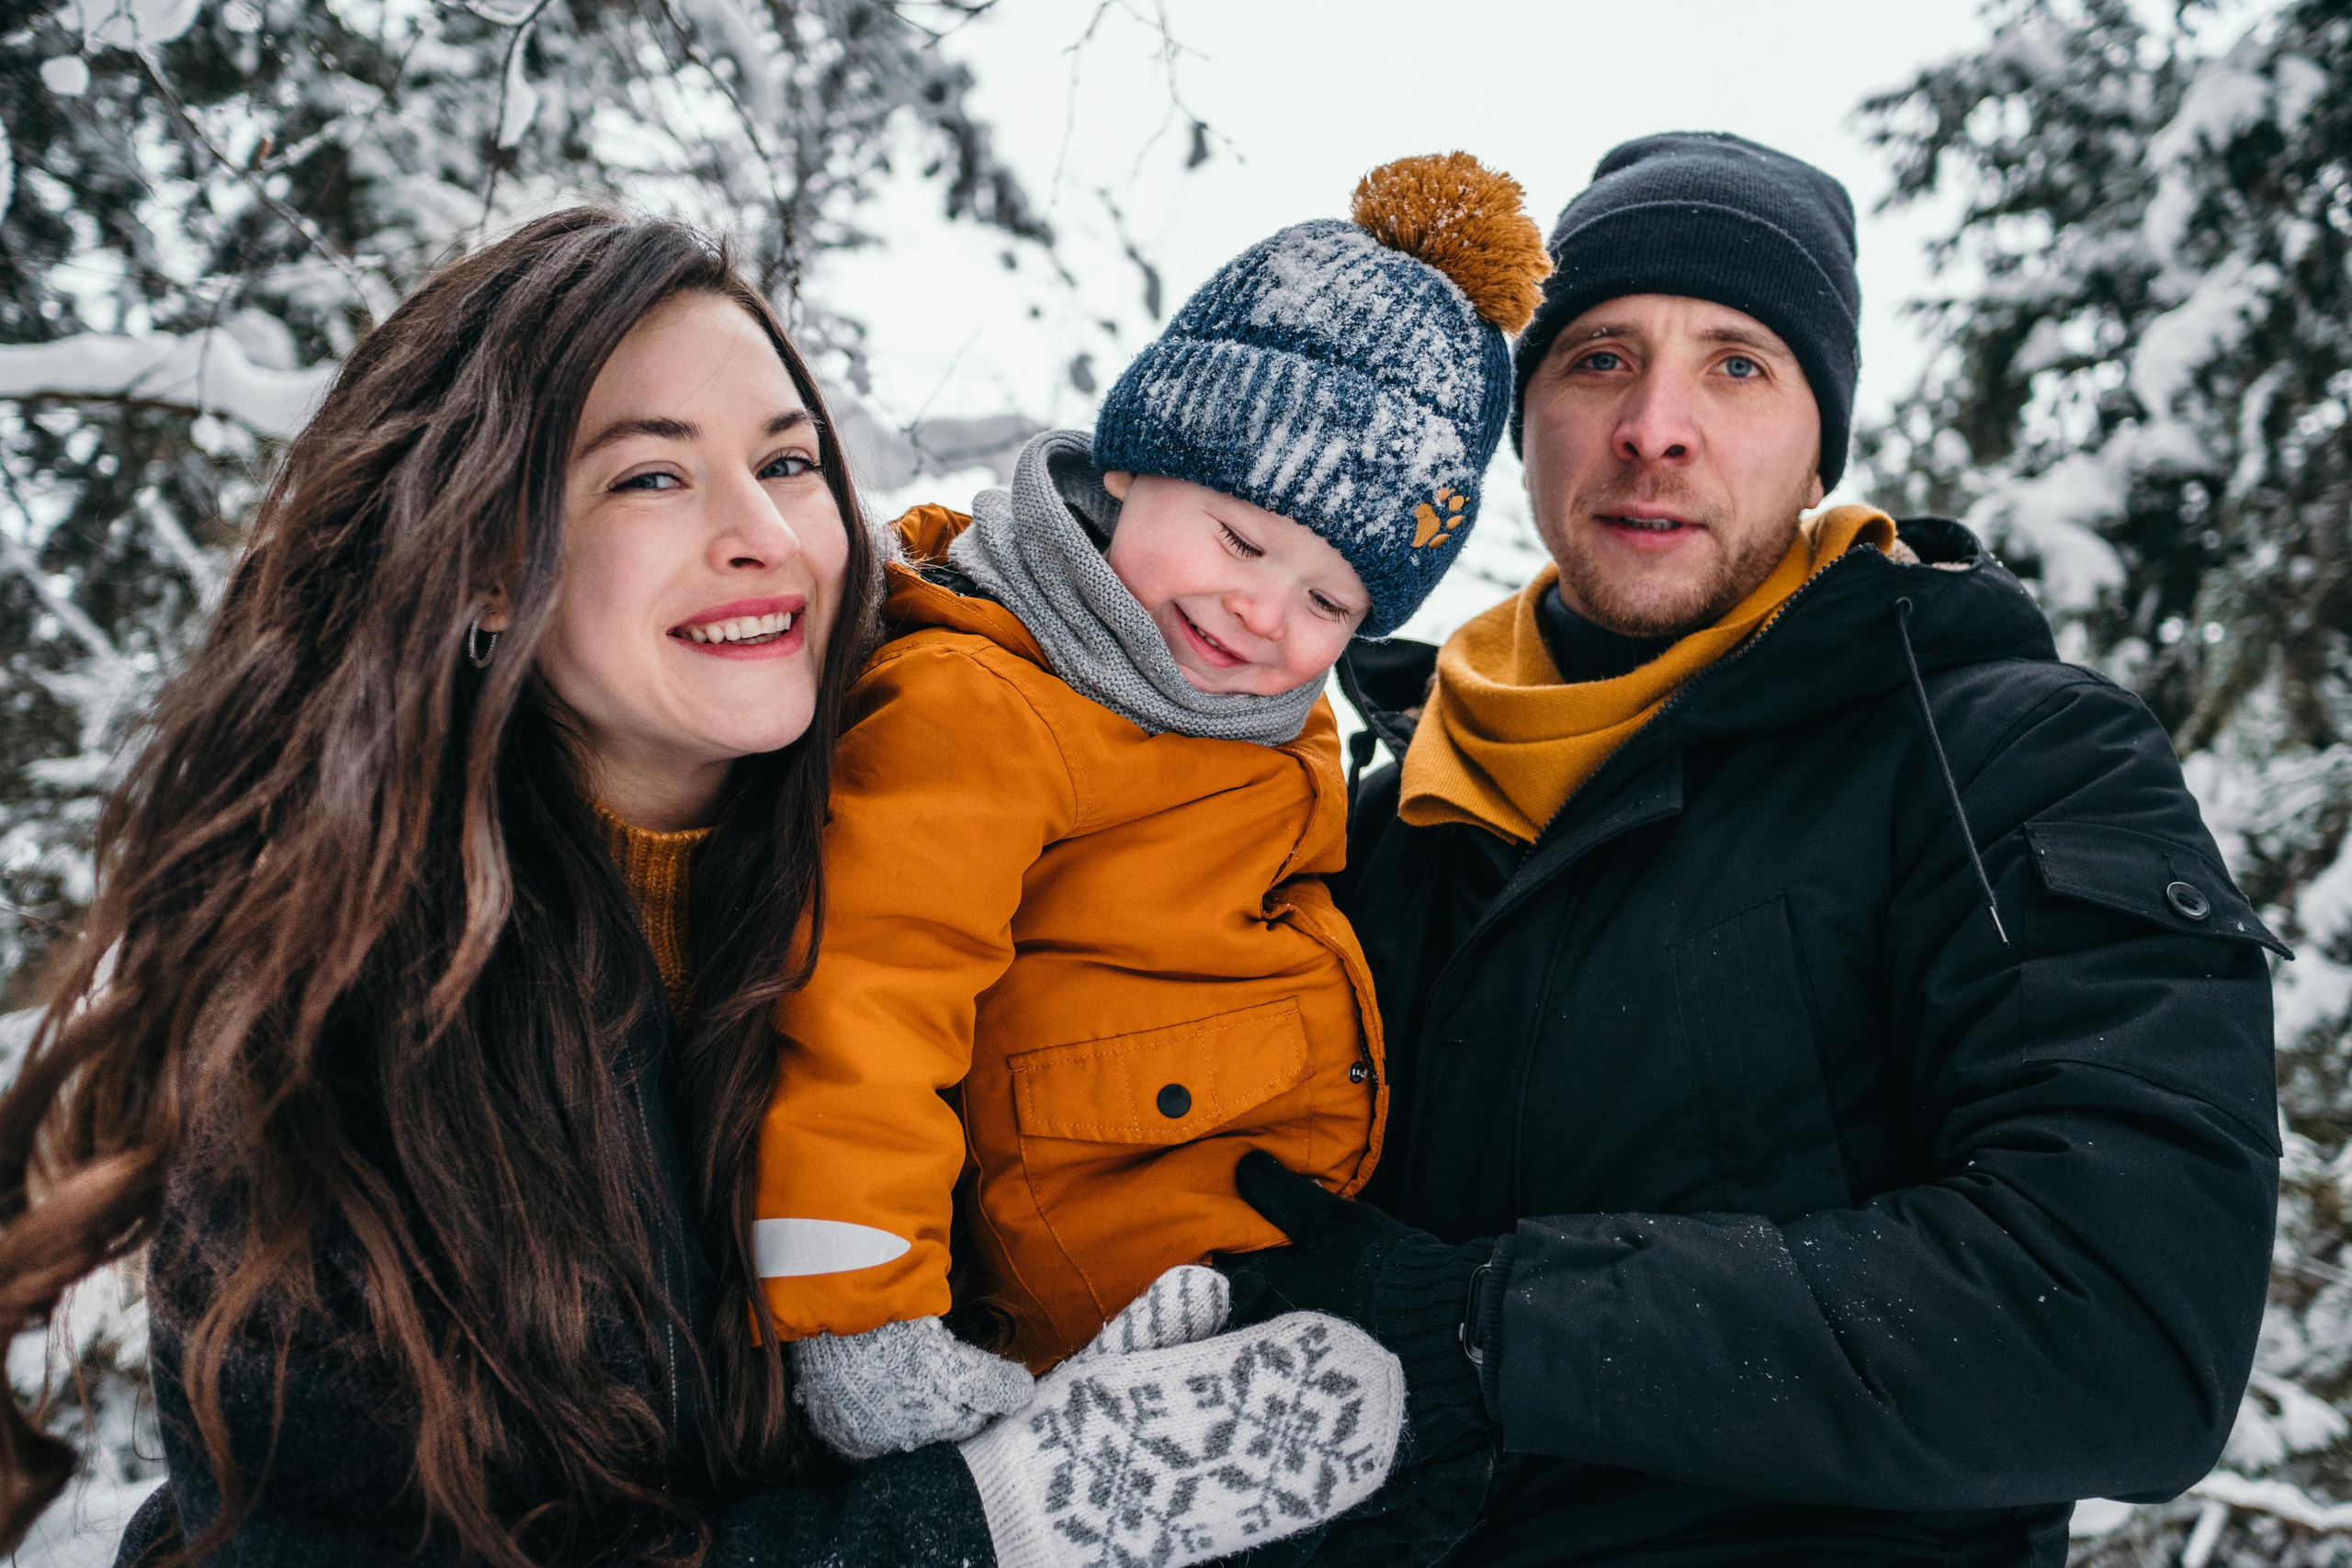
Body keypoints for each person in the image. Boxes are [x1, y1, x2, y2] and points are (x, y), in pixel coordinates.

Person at [0, 208, 1402, 1568]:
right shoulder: (338, 1040)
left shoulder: (961, 850)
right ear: (485, 564)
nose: (765, 536)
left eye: (790, 465)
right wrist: (985, 1527)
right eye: (651, 477)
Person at [1223, 132, 2286, 1565]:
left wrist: (1494, 1322)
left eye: (1738, 364)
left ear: (1817, 441)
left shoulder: (2004, 760)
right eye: (1598, 357)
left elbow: (2119, 1325)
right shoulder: (1369, 819)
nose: (1656, 425)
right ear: (1522, 419)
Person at [750, 153, 1549, 1467]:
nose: (1261, 613)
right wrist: (860, 1317)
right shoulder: (987, 700)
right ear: (1132, 467)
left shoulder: (1253, 721)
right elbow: (862, 1003)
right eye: (1241, 543)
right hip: (1082, 1306)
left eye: (1330, 604)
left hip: (1263, 1272)